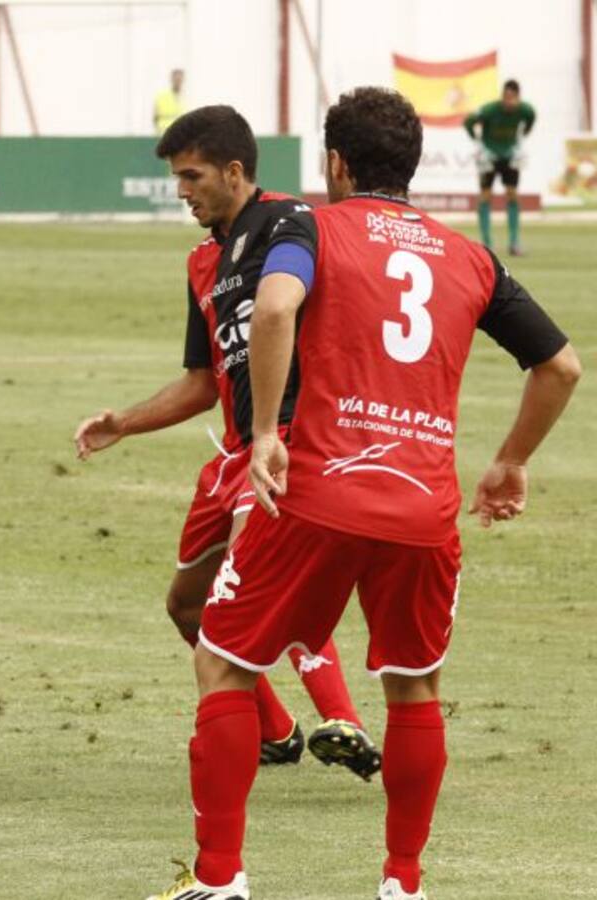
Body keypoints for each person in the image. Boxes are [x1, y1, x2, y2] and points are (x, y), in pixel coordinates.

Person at [147, 87, 579, 900]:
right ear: (411, 166)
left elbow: (276, 306)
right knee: (414, 689)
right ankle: (403, 882)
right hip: (424, 510)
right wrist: (511, 461)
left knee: (225, 663)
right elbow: (560, 366)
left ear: (336, 164)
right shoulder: (469, 257)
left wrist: (265, 431)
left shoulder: (309, 227)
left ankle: (220, 879)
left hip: (315, 494)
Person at [75, 106, 380, 782]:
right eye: (176, 178)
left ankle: (344, 722)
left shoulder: (292, 223)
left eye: (192, 176)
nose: (181, 191)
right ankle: (276, 730)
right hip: (235, 453)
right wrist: (125, 423)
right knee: (186, 604)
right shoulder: (201, 262)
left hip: (291, 441)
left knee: (264, 582)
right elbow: (202, 382)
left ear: (234, 171)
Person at [464, 79, 535, 255]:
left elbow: (531, 119)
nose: (508, 101)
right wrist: (476, 139)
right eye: (506, 97)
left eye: (512, 98)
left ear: (518, 97)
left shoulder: (525, 110)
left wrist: (524, 133)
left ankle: (514, 242)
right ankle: (487, 243)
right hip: (489, 155)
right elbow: (469, 121)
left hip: (509, 155)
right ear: (502, 96)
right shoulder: (490, 110)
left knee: (512, 193)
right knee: (485, 195)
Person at [153, 69, 185, 135]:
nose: (178, 82)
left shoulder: (186, 98)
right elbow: (155, 117)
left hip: (180, 134)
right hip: (163, 132)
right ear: (172, 79)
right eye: (176, 79)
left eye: (179, 80)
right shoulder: (161, 97)